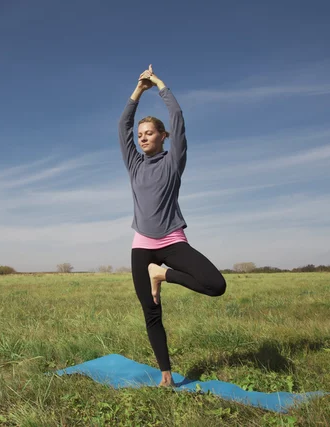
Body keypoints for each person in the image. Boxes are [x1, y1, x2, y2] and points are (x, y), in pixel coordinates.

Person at [118, 65, 227, 387]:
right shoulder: (134, 163)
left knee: (215, 285)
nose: (142, 138)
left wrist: (160, 85)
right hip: (142, 246)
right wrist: (138, 90)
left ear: (163, 137)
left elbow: (178, 119)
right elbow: (123, 125)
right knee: (151, 311)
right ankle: (166, 374)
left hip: (172, 240)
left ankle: (161, 274)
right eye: (140, 135)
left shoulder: (173, 160)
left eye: (149, 133)